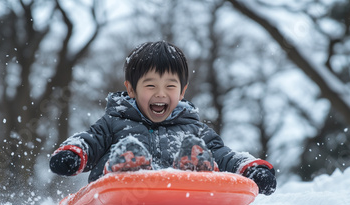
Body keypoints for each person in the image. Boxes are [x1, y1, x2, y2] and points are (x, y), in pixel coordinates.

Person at [49, 41, 277, 195]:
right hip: (120, 190)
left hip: (181, 190)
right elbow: (89, 141)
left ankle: (194, 170)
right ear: (131, 89)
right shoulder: (114, 121)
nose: (160, 93)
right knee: (128, 149)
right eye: (150, 85)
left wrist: (250, 169)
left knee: (200, 151)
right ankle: (126, 167)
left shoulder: (194, 129)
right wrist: (72, 155)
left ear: (182, 91)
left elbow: (223, 154)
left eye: (170, 86)